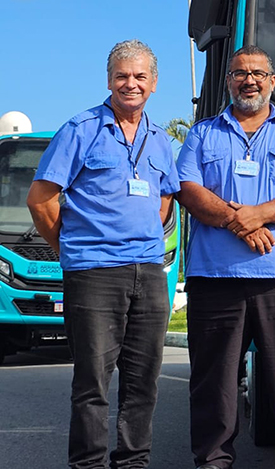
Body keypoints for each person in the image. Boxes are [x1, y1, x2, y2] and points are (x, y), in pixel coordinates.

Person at [26, 40, 179, 469]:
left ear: (153, 84)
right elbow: (40, 199)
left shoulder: (161, 140)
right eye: (122, 76)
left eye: (139, 76)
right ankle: (88, 464)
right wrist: (71, 248)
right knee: (92, 383)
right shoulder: (80, 129)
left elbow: (163, 202)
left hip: (147, 272)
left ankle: (132, 462)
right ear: (109, 80)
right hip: (93, 272)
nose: (130, 84)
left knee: (143, 381)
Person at [176, 46, 275, 469]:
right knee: (214, 379)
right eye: (241, 73)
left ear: (272, 81)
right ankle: (213, 458)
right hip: (215, 277)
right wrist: (236, 220)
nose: (250, 80)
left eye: (259, 73)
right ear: (229, 80)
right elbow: (188, 190)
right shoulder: (203, 134)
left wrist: (256, 215)